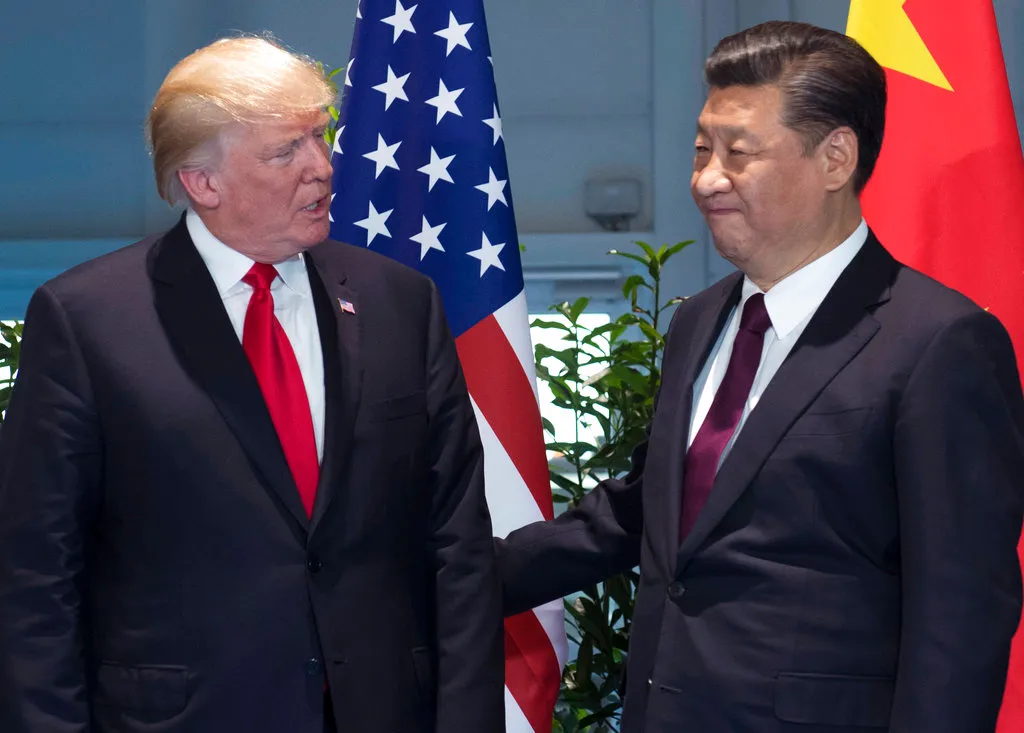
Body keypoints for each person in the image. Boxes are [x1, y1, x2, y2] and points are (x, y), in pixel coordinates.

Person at [498, 20, 1024, 733]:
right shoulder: (699, 322)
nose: (707, 178)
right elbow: (649, 510)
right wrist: (450, 574)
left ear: (836, 157)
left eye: (739, 153)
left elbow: (961, 615)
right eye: (700, 150)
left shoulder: (939, 343)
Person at [0, 36, 504, 733]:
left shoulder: (402, 302)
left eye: (319, 139)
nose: (324, 168)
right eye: (285, 151)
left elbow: (458, 545)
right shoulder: (87, 320)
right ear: (202, 183)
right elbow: (35, 573)